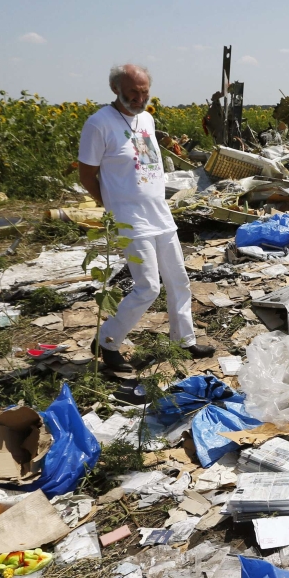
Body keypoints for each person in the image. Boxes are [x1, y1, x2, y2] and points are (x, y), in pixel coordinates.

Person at [77, 63, 215, 371]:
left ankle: (184, 341)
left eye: (144, 92)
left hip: (160, 215)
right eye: (132, 93)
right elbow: (87, 175)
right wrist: (111, 206)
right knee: (148, 287)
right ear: (116, 90)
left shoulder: (147, 119)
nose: (140, 98)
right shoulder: (99, 124)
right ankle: (107, 341)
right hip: (130, 220)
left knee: (179, 280)